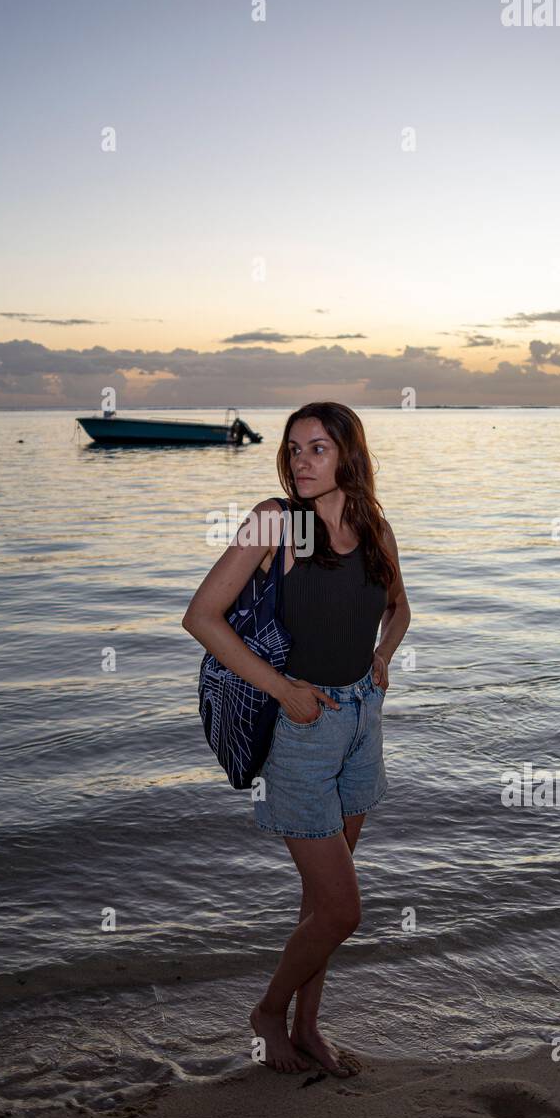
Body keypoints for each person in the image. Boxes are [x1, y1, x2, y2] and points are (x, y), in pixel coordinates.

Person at [182, 402, 411, 1076]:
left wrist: (383, 656)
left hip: (362, 722)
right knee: (344, 910)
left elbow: (400, 606)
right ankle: (266, 1012)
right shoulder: (279, 523)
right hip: (301, 730)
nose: (301, 462)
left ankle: (308, 1026)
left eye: (317, 448)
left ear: (348, 454)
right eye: (293, 449)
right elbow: (203, 616)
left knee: (322, 906)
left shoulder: (372, 528)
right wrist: (283, 690)